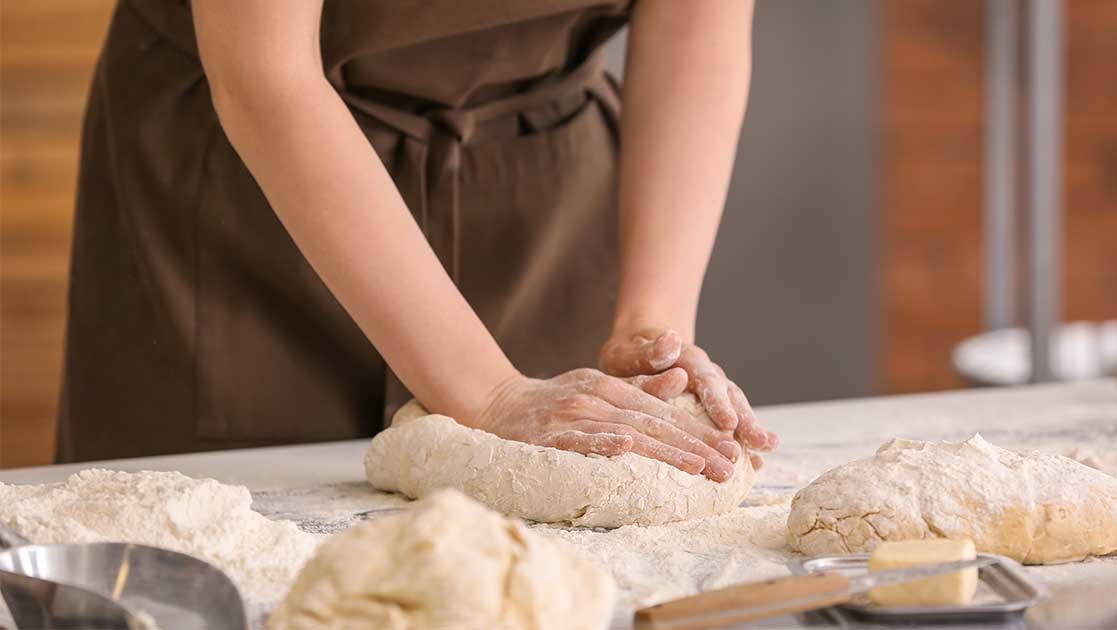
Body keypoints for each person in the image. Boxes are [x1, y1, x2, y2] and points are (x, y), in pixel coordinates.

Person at [58, 0, 778, 478]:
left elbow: (696, 31)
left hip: (542, 194)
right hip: (244, 196)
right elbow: (264, 74)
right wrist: (492, 394)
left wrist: (653, 325)